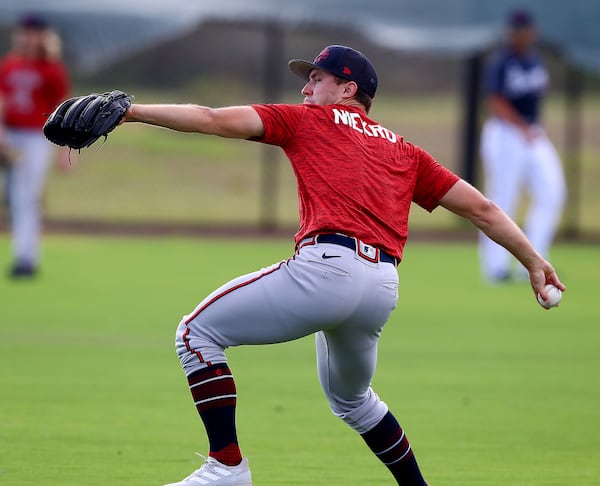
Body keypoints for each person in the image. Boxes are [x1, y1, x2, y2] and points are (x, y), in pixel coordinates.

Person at [117, 45, 564, 485]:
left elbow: (213, 120)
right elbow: (482, 208)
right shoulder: (404, 151)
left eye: (317, 77)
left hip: (326, 270)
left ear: (348, 88)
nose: (306, 87)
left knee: (196, 334)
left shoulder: (307, 120)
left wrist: (133, 113)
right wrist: (534, 261)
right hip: (381, 288)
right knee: (353, 401)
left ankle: (227, 467)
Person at [479, 9, 567, 282]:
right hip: (506, 132)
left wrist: (529, 129)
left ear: (532, 32)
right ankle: (496, 268)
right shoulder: (502, 62)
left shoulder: (534, 60)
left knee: (553, 192)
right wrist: (521, 128)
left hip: (531, 132)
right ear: (511, 33)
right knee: (502, 199)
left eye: (525, 30)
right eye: (516, 31)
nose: (520, 35)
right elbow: (495, 101)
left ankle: (535, 262)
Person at [0, 13, 71, 278]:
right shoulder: (10, 65)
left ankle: (25, 258)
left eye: (34, 32)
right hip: (10, 136)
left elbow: (62, 110)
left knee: (25, 197)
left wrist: (65, 151)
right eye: (25, 32)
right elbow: (2, 102)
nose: (28, 37)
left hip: (36, 137)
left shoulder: (52, 69)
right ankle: (24, 255)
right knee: (13, 197)